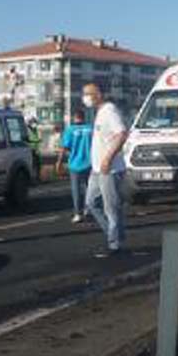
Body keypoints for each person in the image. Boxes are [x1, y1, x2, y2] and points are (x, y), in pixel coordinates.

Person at [82, 83, 128, 256]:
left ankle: (114, 243)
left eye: (88, 94)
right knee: (91, 202)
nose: (85, 97)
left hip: (109, 169)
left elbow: (122, 134)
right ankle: (115, 234)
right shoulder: (100, 112)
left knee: (111, 208)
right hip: (97, 168)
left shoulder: (110, 111)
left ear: (99, 94)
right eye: (84, 94)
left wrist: (108, 158)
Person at [57, 109, 92, 223]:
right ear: (84, 117)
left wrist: (59, 162)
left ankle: (78, 213)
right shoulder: (91, 129)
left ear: (74, 117)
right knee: (89, 188)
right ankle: (88, 210)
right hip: (89, 163)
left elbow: (64, 147)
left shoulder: (70, 130)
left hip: (75, 164)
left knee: (76, 189)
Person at [26, 116, 42, 182]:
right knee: (32, 165)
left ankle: (38, 178)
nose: (34, 124)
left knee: (38, 165)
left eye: (35, 122)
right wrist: (36, 141)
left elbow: (39, 139)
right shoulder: (27, 130)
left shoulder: (35, 130)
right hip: (30, 150)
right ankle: (32, 179)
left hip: (36, 150)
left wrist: (38, 140)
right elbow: (27, 140)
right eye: (33, 122)